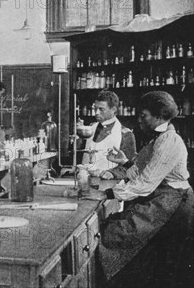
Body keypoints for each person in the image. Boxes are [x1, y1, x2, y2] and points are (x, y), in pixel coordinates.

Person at [86, 91, 194, 288]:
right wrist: (125, 163)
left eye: (143, 116)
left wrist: (105, 194)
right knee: (114, 229)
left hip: (175, 205)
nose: (140, 120)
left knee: (113, 234)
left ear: (159, 116)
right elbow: (141, 170)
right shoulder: (158, 138)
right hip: (163, 200)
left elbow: (144, 183)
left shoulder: (169, 141)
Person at [79, 91, 136, 176]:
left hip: (109, 183)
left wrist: (111, 173)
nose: (97, 112)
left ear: (113, 109)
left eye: (101, 109)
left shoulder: (125, 134)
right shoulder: (91, 128)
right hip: (84, 179)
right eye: (95, 108)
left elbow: (130, 167)